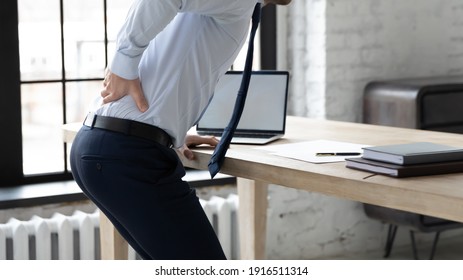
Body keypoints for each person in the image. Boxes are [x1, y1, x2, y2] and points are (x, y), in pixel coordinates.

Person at [70, 0, 292, 260]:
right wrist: (123, 63)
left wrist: (171, 131)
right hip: (126, 154)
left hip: (107, 146)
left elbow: (176, 62)